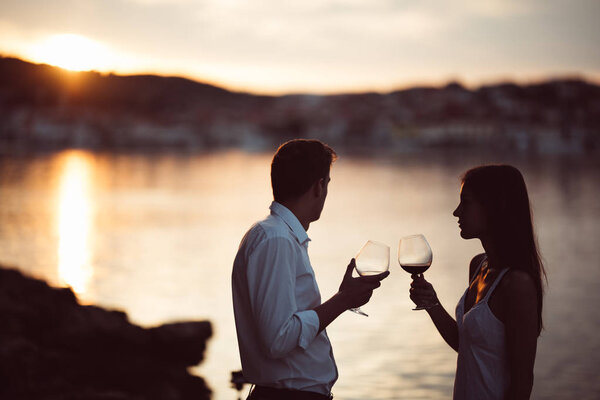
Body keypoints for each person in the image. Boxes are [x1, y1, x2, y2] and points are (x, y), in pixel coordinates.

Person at [232, 139, 389, 400]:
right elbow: (277, 339)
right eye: (327, 183)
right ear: (319, 186)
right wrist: (342, 301)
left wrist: (343, 299)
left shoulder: (276, 235)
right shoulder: (277, 240)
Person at [410, 164, 546, 400]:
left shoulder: (517, 284)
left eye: (466, 202)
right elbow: (467, 346)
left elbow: (522, 382)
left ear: (494, 207)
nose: (456, 212)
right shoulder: (478, 266)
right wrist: (432, 305)